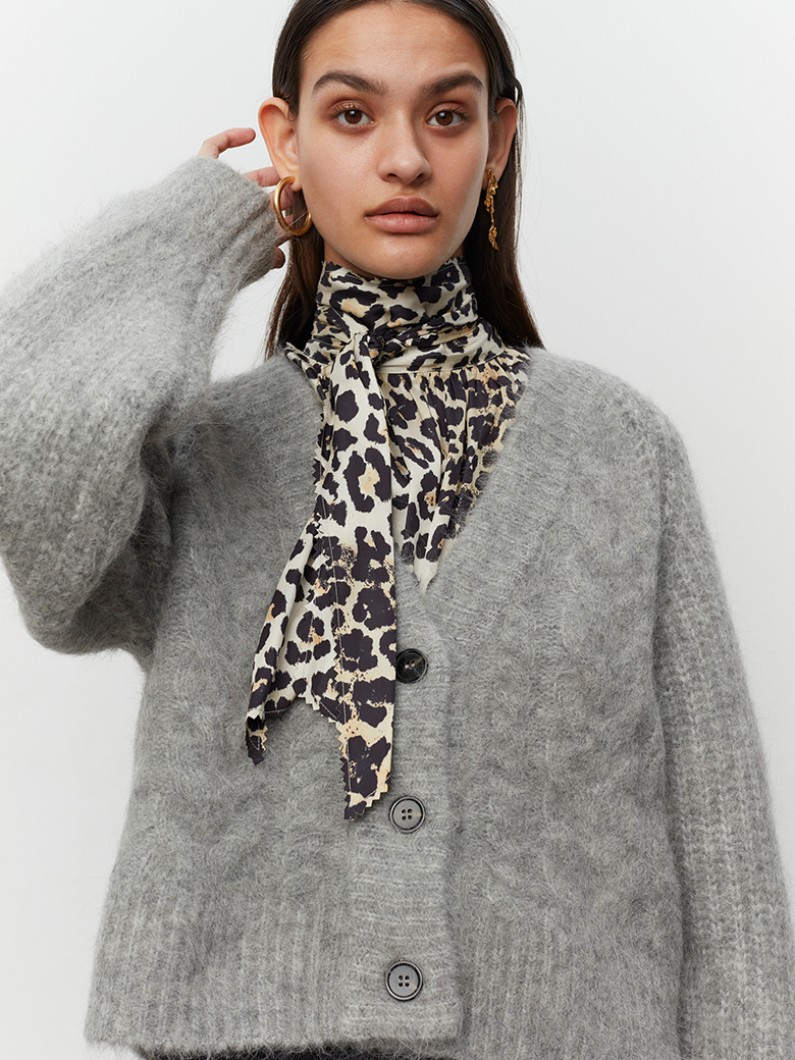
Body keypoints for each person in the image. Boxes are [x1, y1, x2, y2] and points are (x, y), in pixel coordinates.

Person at [0, 1, 793, 1058]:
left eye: (447, 116)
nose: (406, 158)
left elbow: (720, 838)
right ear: (287, 138)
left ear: (497, 140)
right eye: (352, 115)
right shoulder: (198, 460)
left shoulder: (620, 450)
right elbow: (25, 448)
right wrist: (184, 236)